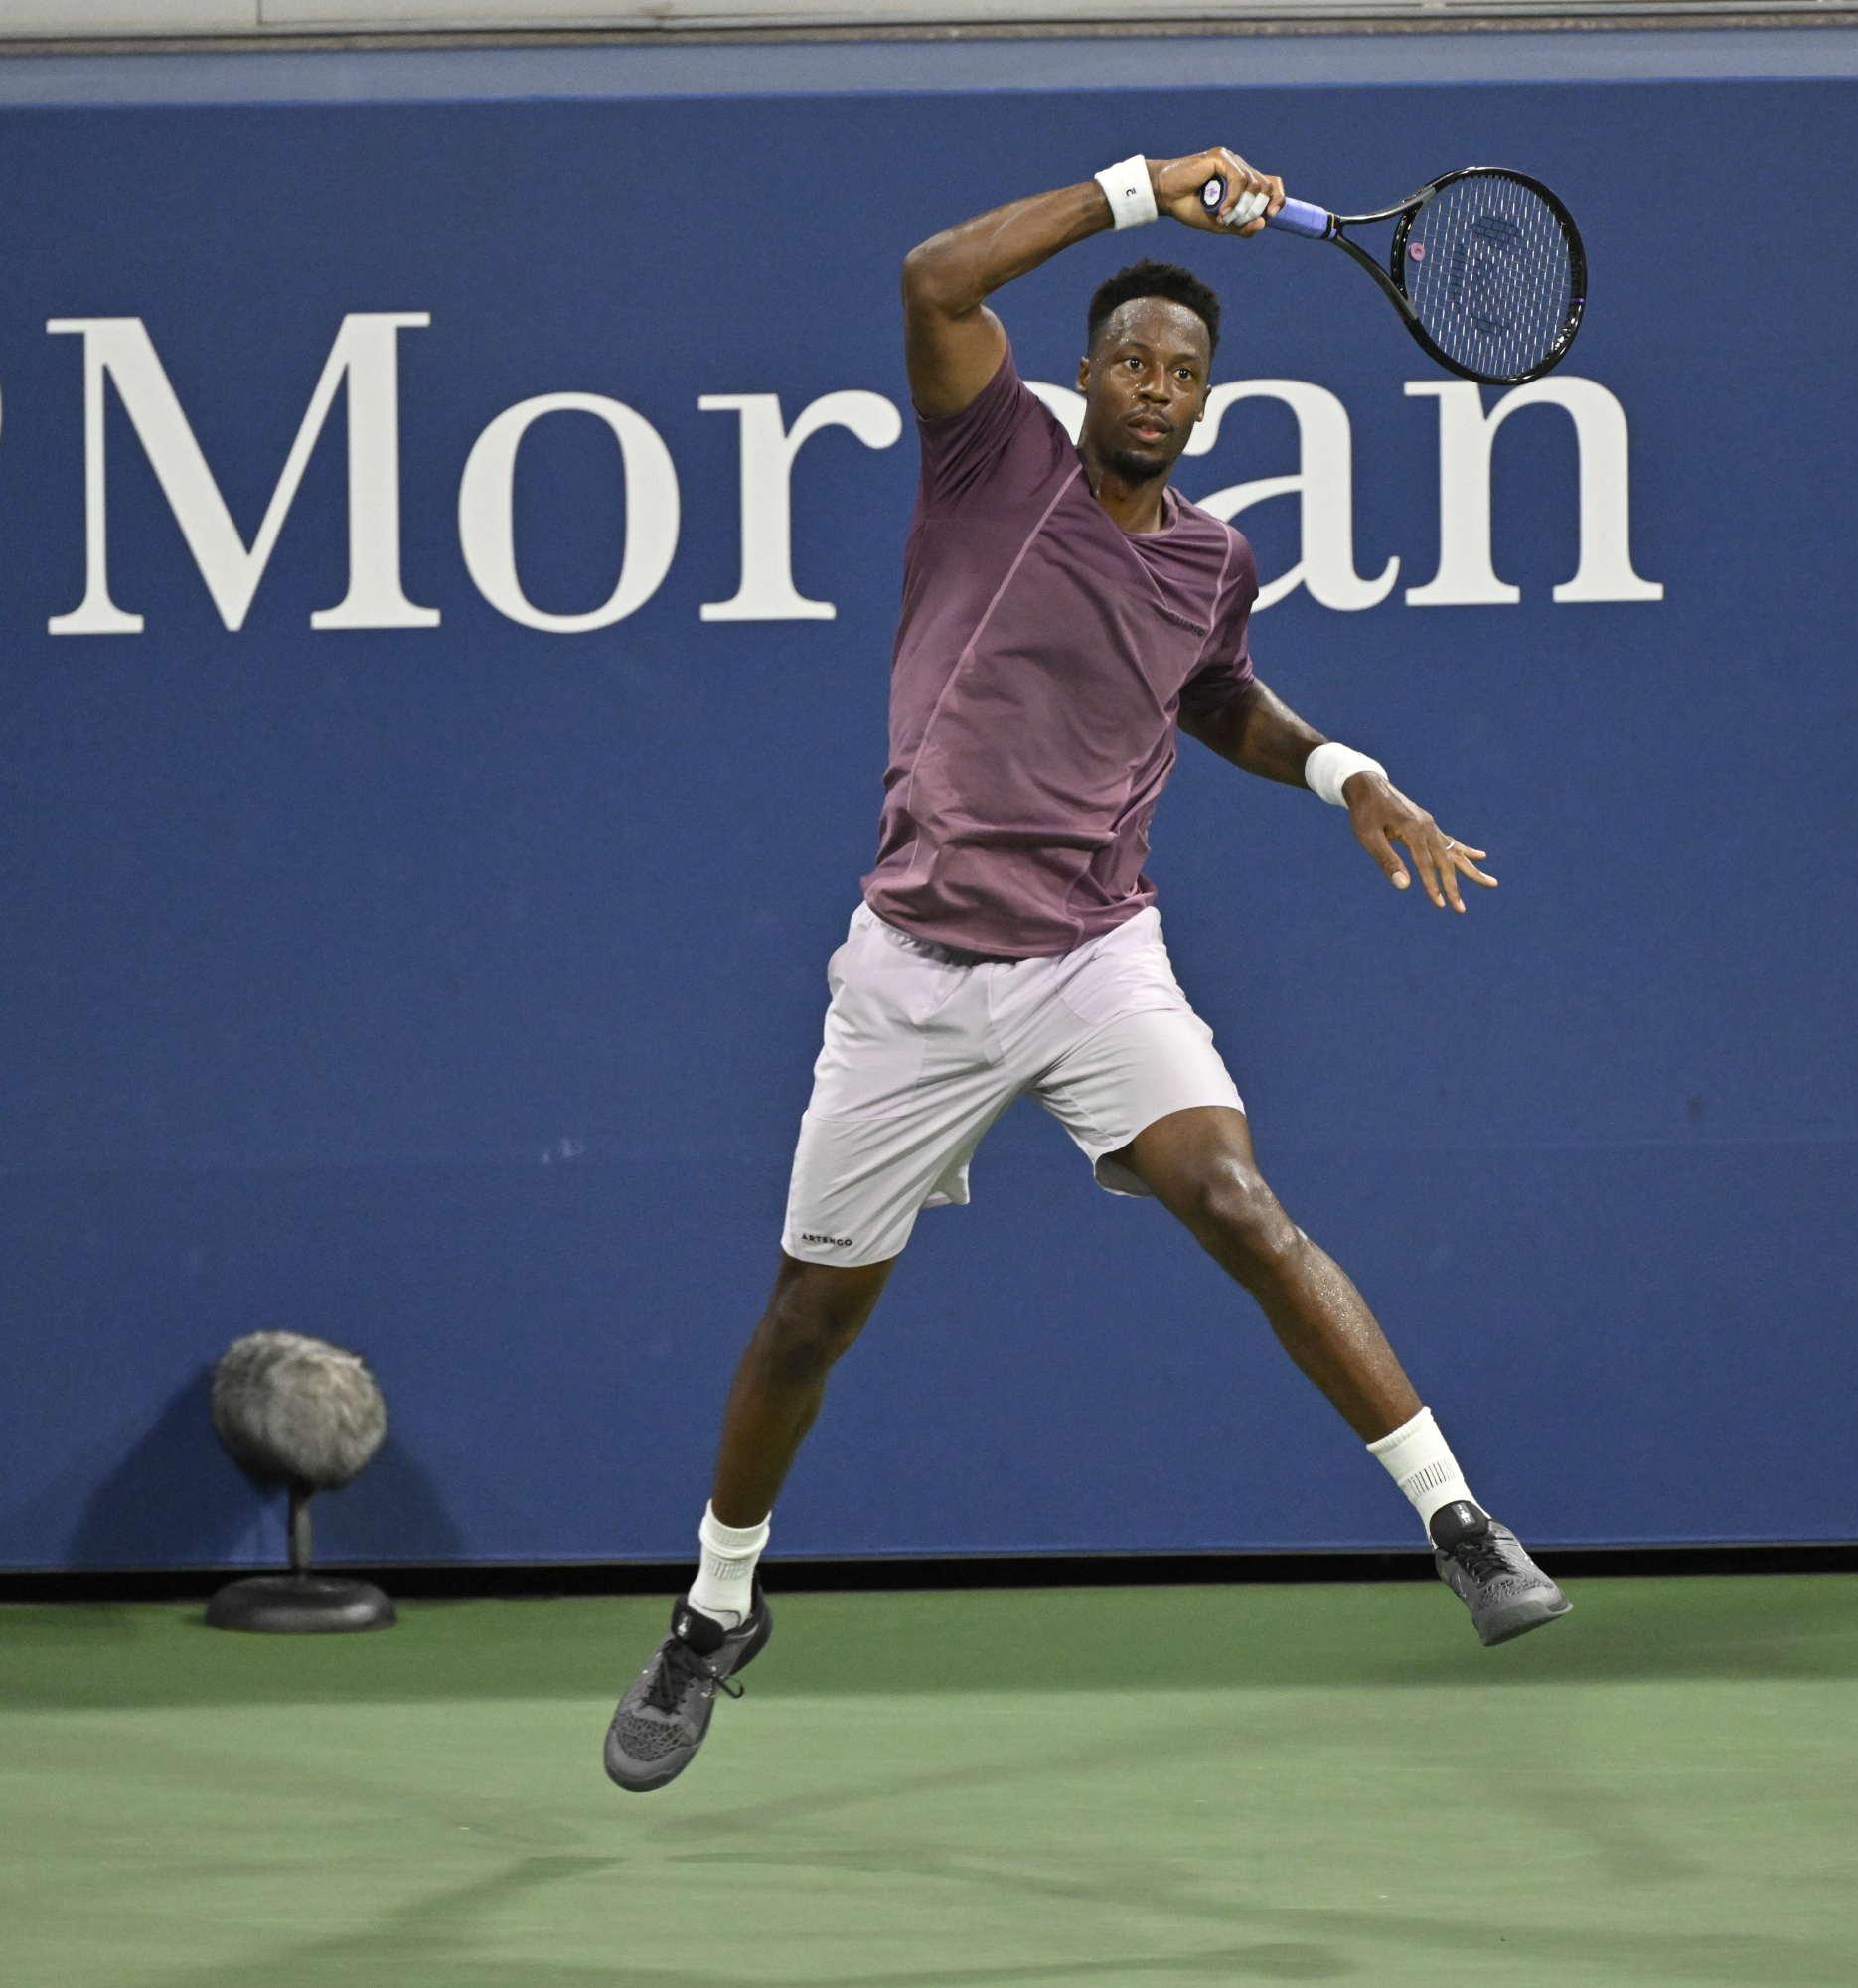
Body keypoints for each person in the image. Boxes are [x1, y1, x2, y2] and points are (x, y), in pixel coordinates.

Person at [605, 147, 1568, 1794]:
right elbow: (931, 276)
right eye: (1132, 356)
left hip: (1095, 954)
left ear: (1204, 404)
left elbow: (1216, 699)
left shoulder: (1213, 561)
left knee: (1242, 1202)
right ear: (1088, 370)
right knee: (807, 1324)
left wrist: (1347, 772)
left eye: (1186, 372)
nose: (1157, 384)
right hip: (914, 970)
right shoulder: (996, 458)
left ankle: (1459, 1522)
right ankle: (714, 1611)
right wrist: (1135, 190)